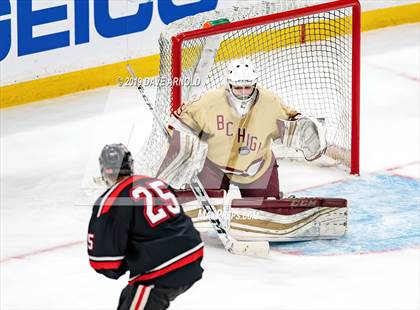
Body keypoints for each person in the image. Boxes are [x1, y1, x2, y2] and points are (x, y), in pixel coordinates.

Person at [87, 143, 204, 310]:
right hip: (193, 254)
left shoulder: (111, 201)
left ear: (104, 170)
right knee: (130, 296)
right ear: (130, 165)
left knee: (140, 296)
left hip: (162, 270)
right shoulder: (155, 183)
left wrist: (129, 261)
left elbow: (105, 261)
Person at [168, 58, 300, 199]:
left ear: (255, 85)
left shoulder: (270, 103)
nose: (243, 93)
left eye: (248, 87)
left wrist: (305, 129)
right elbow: (179, 122)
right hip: (214, 166)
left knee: (266, 214)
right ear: (229, 85)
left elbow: (293, 122)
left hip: (256, 168)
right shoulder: (209, 102)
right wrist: (187, 151)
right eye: (237, 88)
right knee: (199, 208)